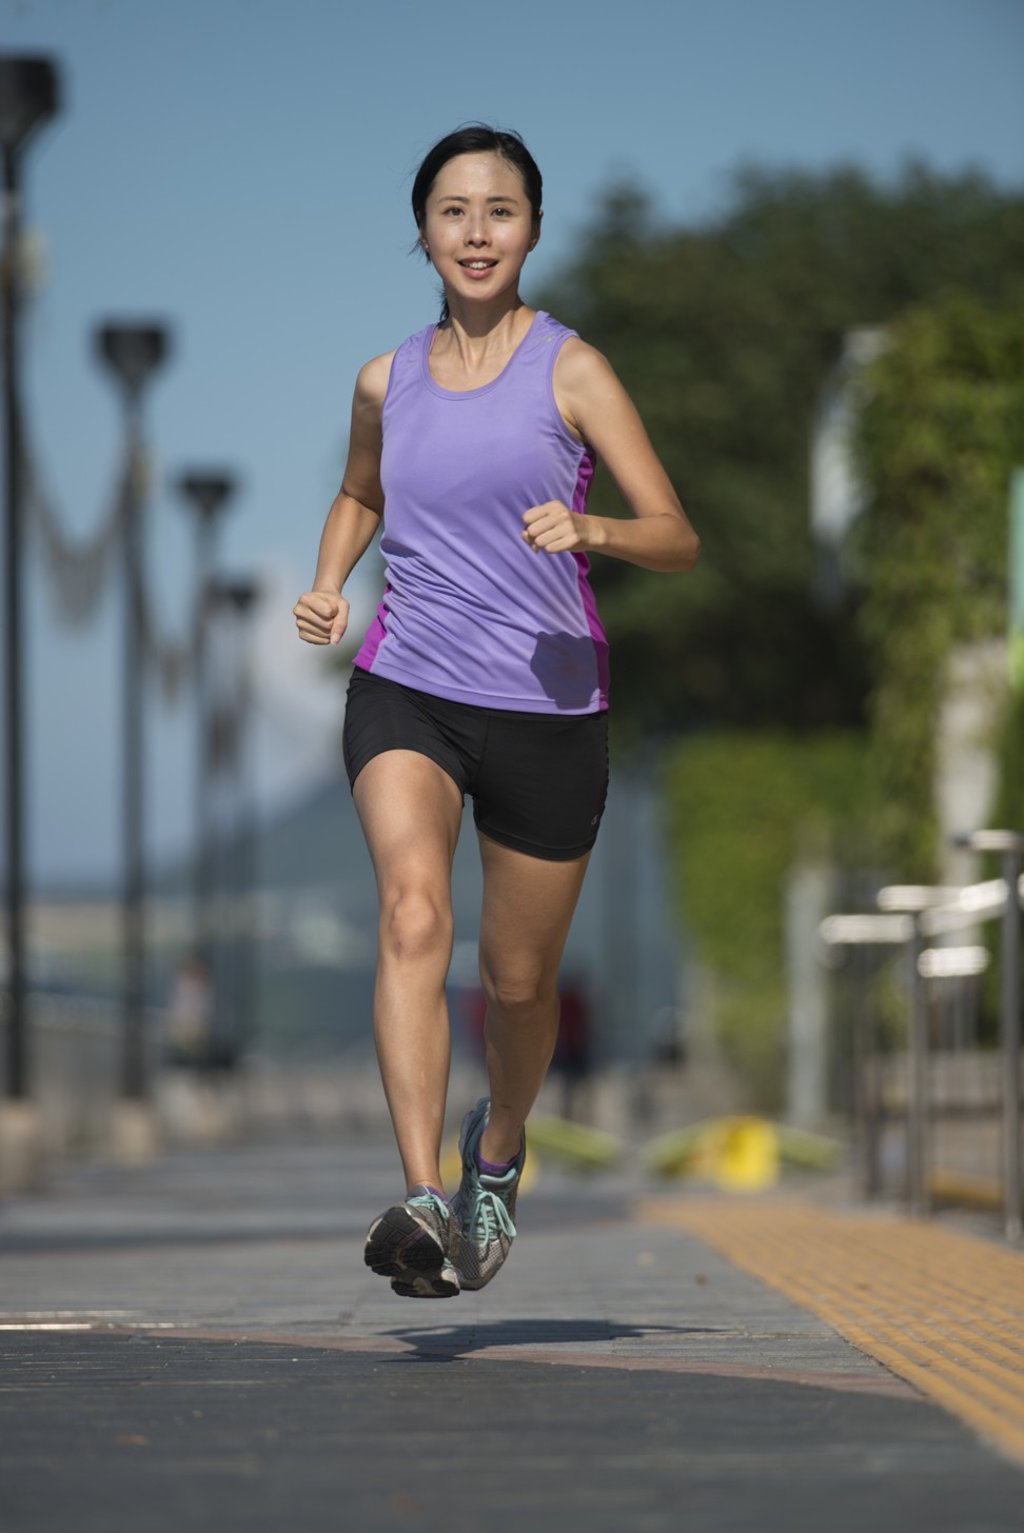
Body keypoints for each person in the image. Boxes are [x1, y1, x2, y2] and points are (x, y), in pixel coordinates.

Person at [293, 124, 699, 1298]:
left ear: (532, 229)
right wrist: (329, 584)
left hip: (548, 706)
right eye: (455, 211)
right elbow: (358, 491)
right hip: (406, 682)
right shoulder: (386, 377)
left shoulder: (571, 370)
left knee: (518, 987)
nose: (477, 233)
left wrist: (598, 529)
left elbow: (674, 534)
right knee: (415, 917)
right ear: (422, 231)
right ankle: (421, 1193)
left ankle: (498, 1148)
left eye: (501, 211)